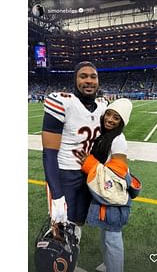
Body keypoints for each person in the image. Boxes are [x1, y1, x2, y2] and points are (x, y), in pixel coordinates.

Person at [41, 61, 107, 244]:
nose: (89, 81)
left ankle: (71, 261)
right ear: (75, 80)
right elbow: (49, 153)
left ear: (98, 80)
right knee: (60, 225)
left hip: (88, 173)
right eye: (83, 76)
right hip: (65, 173)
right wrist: (56, 193)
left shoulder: (102, 106)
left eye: (93, 76)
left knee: (78, 222)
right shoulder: (62, 102)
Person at [76, 98, 142, 272]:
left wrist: (89, 164)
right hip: (107, 193)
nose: (110, 119)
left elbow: (118, 172)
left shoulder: (118, 139)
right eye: (109, 114)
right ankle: (109, 265)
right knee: (107, 233)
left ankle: (115, 268)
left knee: (112, 237)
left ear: (122, 122)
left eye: (116, 118)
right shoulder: (106, 135)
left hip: (113, 194)